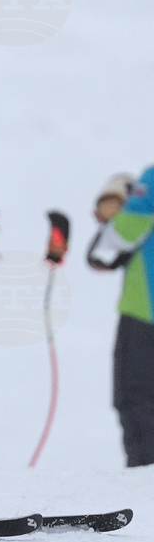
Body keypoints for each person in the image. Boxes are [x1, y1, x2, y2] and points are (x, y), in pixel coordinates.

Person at [88, 169, 154, 467]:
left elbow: (122, 233)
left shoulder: (151, 180)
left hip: (145, 313)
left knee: (135, 398)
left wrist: (114, 216)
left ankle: (144, 480)